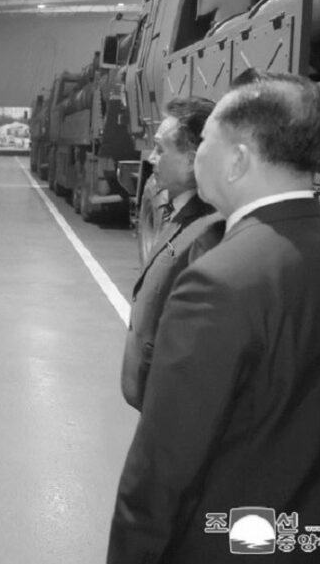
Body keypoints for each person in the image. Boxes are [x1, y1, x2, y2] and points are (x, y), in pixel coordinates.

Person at [108, 70, 320, 563]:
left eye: (205, 142)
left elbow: (164, 470)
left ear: (237, 160)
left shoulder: (216, 282)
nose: (198, 154)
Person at [121, 96, 223, 410]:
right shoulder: (180, 215)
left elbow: (203, 347)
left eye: (160, 149)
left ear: (192, 160)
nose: (152, 158)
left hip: (171, 407)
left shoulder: (207, 233)